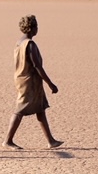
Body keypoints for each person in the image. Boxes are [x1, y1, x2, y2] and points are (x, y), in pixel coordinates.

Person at [5, 14, 63, 149]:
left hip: (23, 78)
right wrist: (50, 83)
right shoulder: (29, 44)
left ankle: (51, 141)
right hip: (28, 81)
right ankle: (8, 140)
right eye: (37, 26)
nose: (38, 29)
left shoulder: (19, 42)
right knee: (20, 109)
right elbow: (37, 66)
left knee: (40, 108)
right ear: (32, 28)